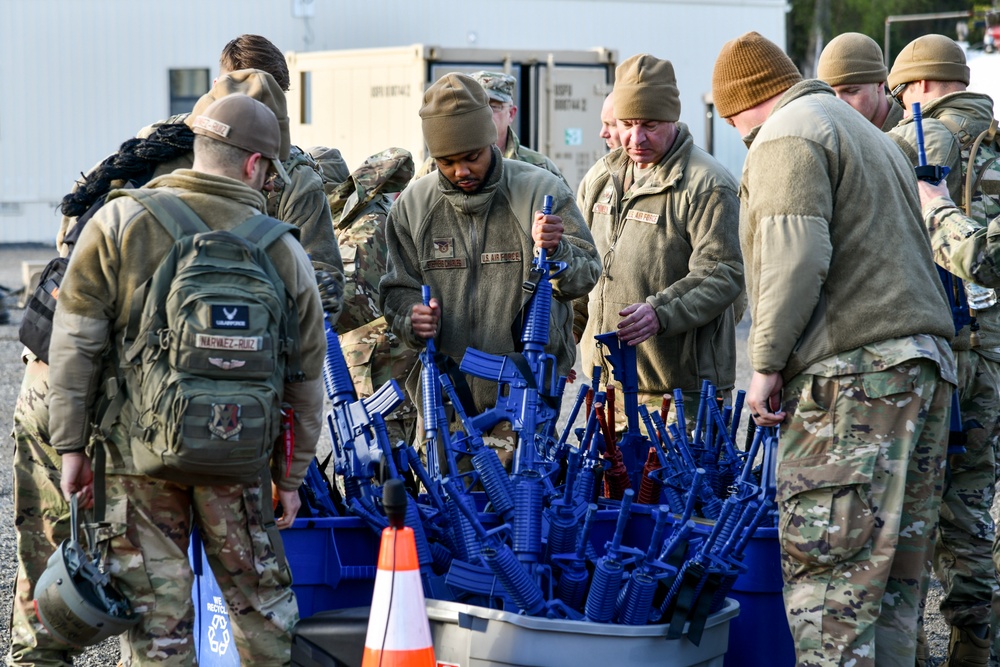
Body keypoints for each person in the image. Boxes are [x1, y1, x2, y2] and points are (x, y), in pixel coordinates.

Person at [7, 51, 341, 667]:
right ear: (255, 162)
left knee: (159, 623)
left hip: (140, 462)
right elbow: (306, 377)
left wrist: (73, 449)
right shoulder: (284, 249)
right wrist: (288, 480)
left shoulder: (120, 222)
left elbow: (75, 349)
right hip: (239, 462)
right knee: (262, 615)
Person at [712, 31, 956, 666]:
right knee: (897, 587)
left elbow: (794, 258)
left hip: (853, 380)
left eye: (734, 122)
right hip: (923, 370)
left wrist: (764, 366)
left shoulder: (788, 133)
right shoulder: (866, 133)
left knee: (831, 591)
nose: (741, 136)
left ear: (742, 105)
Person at [380, 72, 600, 454]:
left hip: (525, 400)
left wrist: (557, 250)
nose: (461, 171)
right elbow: (397, 292)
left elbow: (586, 276)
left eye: (472, 157)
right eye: (446, 161)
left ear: (490, 140)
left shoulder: (539, 190)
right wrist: (412, 319)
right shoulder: (413, 207)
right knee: (445, 510)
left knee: (524, 508)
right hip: (443, 402)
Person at [887, 34, 1000, 666]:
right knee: (972, 512)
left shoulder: (917, 141)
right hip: (993, 359)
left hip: (935, 355)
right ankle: (974, 652)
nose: (902, 109)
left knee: (910, 513)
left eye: (903, 96)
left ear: (923, 87)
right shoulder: (996, 138)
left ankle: (909, 651)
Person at [576, 53, 743, 427]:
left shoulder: (707, 184)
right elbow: (583, 265)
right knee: (608, 487)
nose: (635, 138)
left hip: (679, 397)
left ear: (672, 119)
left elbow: (724, 273)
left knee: (676, 488)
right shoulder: (600, 179)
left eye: (649, 125)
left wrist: (660, 313)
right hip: (608, 389)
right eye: (626, 124)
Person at [319, 146, 420, 447]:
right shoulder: (342, 223)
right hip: (367, 357)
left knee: (382, 456)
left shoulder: (365, 225)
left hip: (381, 360)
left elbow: (355, 302)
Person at [415, 70, 568, 186]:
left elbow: (566, 214)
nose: (486, 114)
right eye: (479, 109)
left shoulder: (538, 166)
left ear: (511, 113)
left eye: (494, 107)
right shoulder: (436, 165)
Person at [817, 32, 904, 131]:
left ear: (879, 82)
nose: (839, 103)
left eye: (851, 91)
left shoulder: (913, 134)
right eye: (830, 95)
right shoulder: (829, 136)